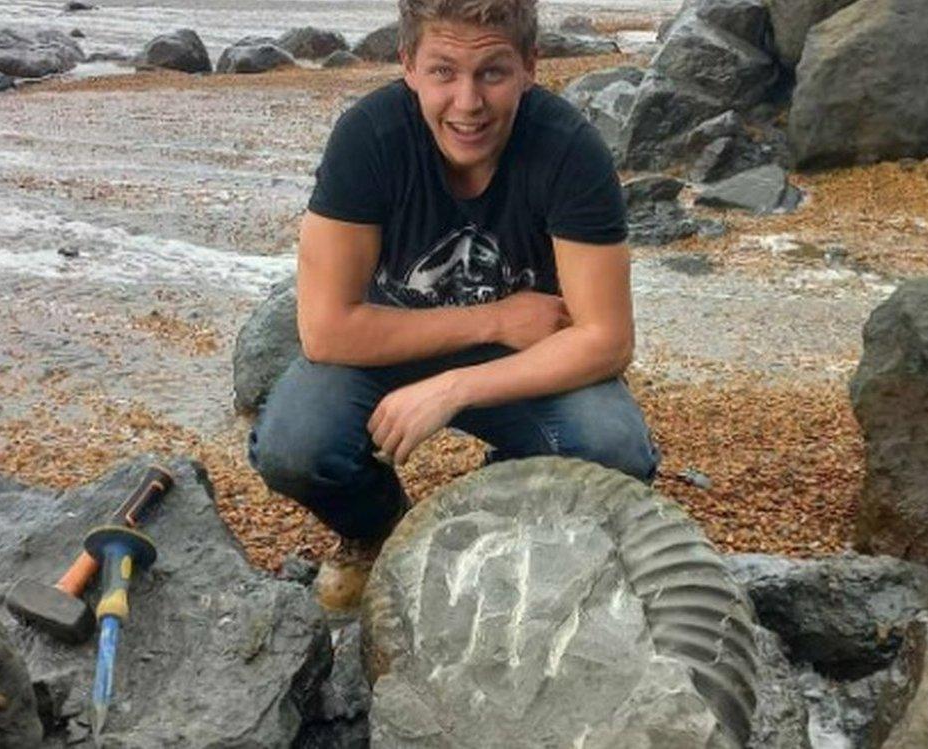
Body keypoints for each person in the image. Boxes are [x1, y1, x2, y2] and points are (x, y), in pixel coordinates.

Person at [248, 0, 659, 604]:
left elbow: (606, 339)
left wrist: (455, 388)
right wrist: (494, 317)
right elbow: (327, 332)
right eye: (444, 72)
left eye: (492, 72)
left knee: (615, 452)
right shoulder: (369, 139)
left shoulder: (569, 150)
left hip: (523, 360)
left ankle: (493, 517)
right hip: (392, 342)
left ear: (530, 66)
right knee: (294, 445)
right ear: (408, 64)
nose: (468, 103)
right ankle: (381, 527)